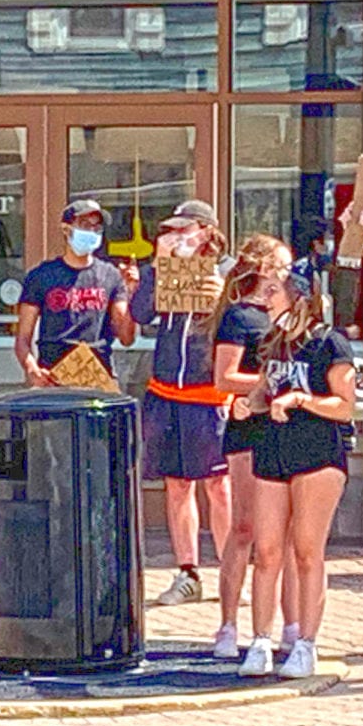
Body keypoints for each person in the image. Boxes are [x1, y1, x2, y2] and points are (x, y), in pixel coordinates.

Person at [234, 259, 356, 680]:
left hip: (317, 451)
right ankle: (261, 640)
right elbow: (263, 391)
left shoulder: (330, 344)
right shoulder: (270, 342)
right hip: (273, 448)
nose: (265, 300)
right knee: (266, 550)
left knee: (307, 549)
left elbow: (345, 406)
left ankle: (306, 642)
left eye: (273, 292)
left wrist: (301, 400)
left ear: (298, 299)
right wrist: (249, 403)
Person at [129, 201, 232, 608]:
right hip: (168, 391)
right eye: (172, 231)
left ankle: (231, 567)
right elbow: (140, 313)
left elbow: (248, 322)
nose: (178, 237)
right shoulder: (163, 269)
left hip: (210, 395)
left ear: (206, 231)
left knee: (219, 486)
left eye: (185, 230)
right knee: (177, 484)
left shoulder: (228, 272)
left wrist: (222, 298)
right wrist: (157, 265)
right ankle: (187, 571)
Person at [211, 235, 300, 658]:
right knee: (244, 527)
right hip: (249, 428)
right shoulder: (239, 317)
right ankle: (228, 624)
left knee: (282, 532)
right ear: (263, 268)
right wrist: (271, 381)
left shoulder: (287, 316)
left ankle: (291, 622)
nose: (286, 274)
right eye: (281, 266)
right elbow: (224, 376)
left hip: (282, 426)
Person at [14, 199, 137, 385]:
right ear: (66, 229)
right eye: (84, 225)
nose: (91, 231)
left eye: (97, 227)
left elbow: (127, 338)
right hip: (53, 375)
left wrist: (131, 291)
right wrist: (32, 369)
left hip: (98, 374)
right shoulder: (41, 276)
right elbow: (22, 338)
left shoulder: (111, 275)